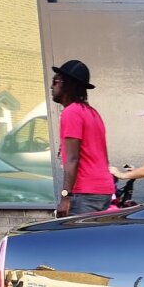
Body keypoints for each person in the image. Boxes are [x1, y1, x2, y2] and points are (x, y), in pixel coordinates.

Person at [50, 59, 113, 218]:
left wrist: (65, 197)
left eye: (55, 81)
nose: (52, 86)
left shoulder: (71, 113)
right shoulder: (92, 113)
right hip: (104, 190)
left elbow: (72, 160)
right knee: (96, 240)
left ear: (65, 84)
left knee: (77, 241)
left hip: (85, 192)